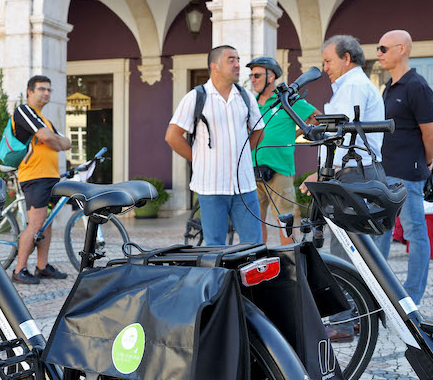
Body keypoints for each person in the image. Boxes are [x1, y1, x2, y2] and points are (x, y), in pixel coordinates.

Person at [301, 34, 385, 341]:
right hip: (353, 173)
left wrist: (321, 175)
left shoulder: (352, 86)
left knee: (344, 251)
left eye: (328, 61)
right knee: (352, 249)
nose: (324, 68)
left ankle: (342, 322)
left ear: (346, 58)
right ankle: (357, 314)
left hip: (352, 173)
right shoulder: (352, 86)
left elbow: (343, 138)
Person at [165, 45, 264, 245]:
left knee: (254, 243)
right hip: (211, 187)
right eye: (231, 60)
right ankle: (220, 278)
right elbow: (173, 136)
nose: (237, 65)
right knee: (214, 247)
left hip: (244, 185)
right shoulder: (196, 97)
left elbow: (259, 130)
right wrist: (200, 159)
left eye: (238, 59)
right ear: (214, 66)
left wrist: (241, 154)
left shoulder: (245, 97)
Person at [373, 29, 433, 305]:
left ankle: (413, 295)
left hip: (408, 175)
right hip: (386, 171)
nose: (378, 53)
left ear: (402, 49)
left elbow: (432, 133)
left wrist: (424, 162)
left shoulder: (417, 86)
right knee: (381, 233)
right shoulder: (390, 86)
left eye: (383, 48)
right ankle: (379, 291)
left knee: (415, 234)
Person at [248, 55, 318, 245]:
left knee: (285, 222)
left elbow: (316, 118)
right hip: (252, 169)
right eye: (251, 76)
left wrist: (294, 135)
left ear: (271, 76)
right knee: (254, 221)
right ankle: (257, 263)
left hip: (279, 169)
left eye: (256, 75)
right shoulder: (251, 102)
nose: (252, 79)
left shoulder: (285, 100)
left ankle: (290, 264)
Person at [11, 75, 72, 284]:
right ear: (30, 91)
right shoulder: (24, 111)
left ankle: (42, 266)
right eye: (41, 89)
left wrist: (53, 139)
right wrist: (52, 140)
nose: (46, 93)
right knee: (36, 223)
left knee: (46, 223)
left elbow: (67, 143)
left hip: (50, 176)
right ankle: (19, 269)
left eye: (49, 90)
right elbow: (48, 139)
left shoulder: (45, 120)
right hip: (34, 175)